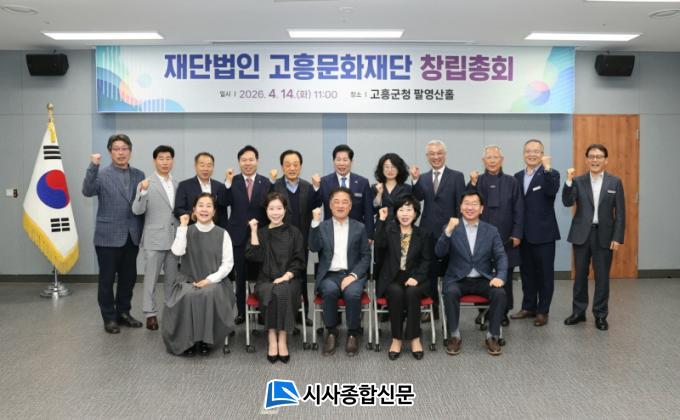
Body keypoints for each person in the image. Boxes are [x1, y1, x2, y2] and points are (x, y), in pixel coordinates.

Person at [82, 134, 145, 334]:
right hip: (107, 237)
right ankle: (109, 317)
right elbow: (87, 191)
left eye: (124, 148)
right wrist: (93, 166)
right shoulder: (101, 174)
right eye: (116, 149)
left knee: (129, 278)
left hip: (131, 235)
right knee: (107, 280)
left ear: (130, 151)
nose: (121, 152)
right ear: (110, 152)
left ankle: (124, 312)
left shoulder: (139, 175)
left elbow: (142, 204)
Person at [162, 193, 235, 357]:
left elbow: (228, 264)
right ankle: (187, 340)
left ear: (214, 211)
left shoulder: (223, 233)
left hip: (215, 282)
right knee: (187, 295)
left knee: (207, 294)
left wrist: (209, 280)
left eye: (209, 206)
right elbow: (177, 252)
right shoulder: (186, 231)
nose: (204, 209)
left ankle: (205, 340)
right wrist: (182, 227)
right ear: (194, 210)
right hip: (189, 280)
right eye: (200, 205)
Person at [436, 191, 508, 356]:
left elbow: (501, 256)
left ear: (481, 209)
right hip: (457, 279)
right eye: (466, 203)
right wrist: (447, 232)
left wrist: (500, 277)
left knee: (500, 293)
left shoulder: (491, 231)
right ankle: (454, 335)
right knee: (450, 292)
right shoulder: (451, 228)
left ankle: (493, 336)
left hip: (483, 279)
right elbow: (439, 253)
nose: (470, 207)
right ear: (460, 207)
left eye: (474, 204)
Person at [562, 144, 625, 331]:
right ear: (586, 160)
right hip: (581, 234)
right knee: (580, 276)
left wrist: (617, 237)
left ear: (606, 160)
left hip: (604, 235)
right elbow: (567, 202)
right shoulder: (578, 180)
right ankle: (578, 312)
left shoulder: (615, 182)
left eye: (599, 157)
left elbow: (620, 213)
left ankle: (600, 315)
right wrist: (568, 182)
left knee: (602, 277)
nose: (595, 160)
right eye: (591, 156)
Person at [309, 187, 371, 357]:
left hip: (353, 274)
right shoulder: (322, 226)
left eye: (345, 202)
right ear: (330, 205)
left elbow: (366, 256)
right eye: (336, 202)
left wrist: (353, 276)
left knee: (352, 294)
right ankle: (331, 331)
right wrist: (314, 222)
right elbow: (313, 247)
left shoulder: (359, 227)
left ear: (350, 206)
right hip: (329, 274)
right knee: (329, 291)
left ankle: (352, 333)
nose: (340, 205)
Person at [245, 193, 306, 363]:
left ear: (285, 210)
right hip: (265, 280)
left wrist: (286, 276)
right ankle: (273, 338)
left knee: (282, 290)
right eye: (271, 208)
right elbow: (254, 257)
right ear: (266, 210)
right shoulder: (262, 232)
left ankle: (282, 339)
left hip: (290, 279)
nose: (275, 212)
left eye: (279, 208)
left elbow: (299, 261)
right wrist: (254, 231)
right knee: (273, 291)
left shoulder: (294, 232)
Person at [468, 145, 523, 326]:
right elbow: (466, 204)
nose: (492, 161)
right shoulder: (477, 181)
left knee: (504, 275)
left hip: (507, 237)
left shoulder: (512, 181)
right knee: (481, 275)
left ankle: (503, 312)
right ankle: (483, 311)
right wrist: (472, 184)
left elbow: (519, 209)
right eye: (489, 157)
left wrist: (517, 233)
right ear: (483, 161)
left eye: (495, 157)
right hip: (480, 238)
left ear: (502, 160)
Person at [411, 139, 466, 322]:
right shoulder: (423, 178)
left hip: (451, 231)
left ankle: (450, 308)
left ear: (445, 155)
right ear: (427, 156)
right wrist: (415, 180)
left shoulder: (457, 176)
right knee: (430, 273)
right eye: (432, 154)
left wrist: (458, 228)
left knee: (451, 271)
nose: (436, 157)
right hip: (428, 232)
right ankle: (432, 308)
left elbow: (460, 204)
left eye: (439, 153)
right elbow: (417, 198)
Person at [374, 196, 432, 361]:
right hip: (392, 277)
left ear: (415, 214)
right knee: (395, 292)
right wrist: (381, 220)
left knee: (412, 292)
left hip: (415, 278)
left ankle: (414, 338)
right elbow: (379, 244)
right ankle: (396, 339)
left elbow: (427, 260)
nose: (405, 214)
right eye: (401, 210)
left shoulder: (423, 234)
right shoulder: (389, 230)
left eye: (409, 210)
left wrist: (417, 278)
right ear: (396, 213)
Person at [511, 139, 560, 327]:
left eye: (536, 151)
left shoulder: (551, 174)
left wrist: (547, 169)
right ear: (524, 154)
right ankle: (528, 307)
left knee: (545, 275)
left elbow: (551, 191)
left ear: (542, 154)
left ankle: (542, 311)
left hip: (544, 234)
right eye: (528, 151)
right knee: (527, 274)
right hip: (523, 235)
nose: (531, 154)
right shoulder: (517, 176)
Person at [270, 150, 321, 327]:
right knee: (279, 276)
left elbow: (317, 204)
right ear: (282, 166)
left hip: (301, 240)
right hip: (279, 240)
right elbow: (267, 206)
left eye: (295, 164)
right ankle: (280, 313)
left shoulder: (307, 186)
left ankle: (303, 314)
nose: (292, 168)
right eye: (287, 164)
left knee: (300, 276)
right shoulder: (275, 186)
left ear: (300, 166)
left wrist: (316, 188)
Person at [131, 145, 179, 331]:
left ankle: (171, 310)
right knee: (151, 279)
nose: (165, 162)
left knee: (171, 280)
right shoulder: (146, 183)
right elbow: (137, 210)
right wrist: (142, 192)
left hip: (174, 239)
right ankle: (150, 314)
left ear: (172, 161)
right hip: (154, 239)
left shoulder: (177, 183)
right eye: (161, 158)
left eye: (168, 158)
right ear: (154, 161)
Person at [225, 145, 273, 324]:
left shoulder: (266, 182)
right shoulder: (232, 181)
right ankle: (241, 313)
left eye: (251, 159)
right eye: (244, 160)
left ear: (257, 161)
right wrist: (227, 183)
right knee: (240, 277)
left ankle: (262, 311)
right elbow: (223, 202)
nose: (247, 163)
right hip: (237, 236)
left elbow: (271, 208)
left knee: (262, 275)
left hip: (260, 236)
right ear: (239, 162)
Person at [316, 144, 374, 241]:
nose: (341, 163)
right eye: (338, 160)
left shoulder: (362, 182)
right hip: (331, 233)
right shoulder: (324, 182)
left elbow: (368, 211)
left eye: (345, 160)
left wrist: (369, 235)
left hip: (357, 233)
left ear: (351, 161)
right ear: (333, 161)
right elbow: (315, 204)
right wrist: (315, 187)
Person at [372, 153, 413, 284]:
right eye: (386, 167)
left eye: (393, 167)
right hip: (382, 228)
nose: (390, 170)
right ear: (381, 169)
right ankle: (381, 291)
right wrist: (379, 194)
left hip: (401, 229)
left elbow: (412, 210)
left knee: (400, 261)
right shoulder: (375, 187)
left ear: (399, 169)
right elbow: (373, 208)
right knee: (381, 261)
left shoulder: (407, 188)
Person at [174, 152, 229, 228]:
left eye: (209, 166)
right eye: (202, 165)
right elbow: (178, 210)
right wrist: (193, 215)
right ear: (195, 166)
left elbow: (223, 211)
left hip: (215, 230)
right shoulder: (184, 185)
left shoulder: (220, 186)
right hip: (192, 229)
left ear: (213, 167)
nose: (205, 169)